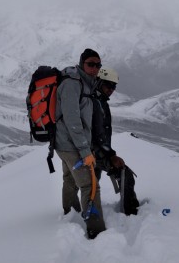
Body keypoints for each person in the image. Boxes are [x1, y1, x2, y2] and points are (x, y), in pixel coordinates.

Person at [55, 48, 106, 239]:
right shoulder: (72, 84)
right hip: (71, 145)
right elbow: (72, 120)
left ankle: (70, 214)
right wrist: (85, 150)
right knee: (90, 185)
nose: (94, 69)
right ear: (81, 63)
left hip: (66, 143)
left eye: (98, 65)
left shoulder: (84, 83)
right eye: (91, 64)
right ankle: (97, 231)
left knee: (69, 179)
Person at [91, 67, 139, 216]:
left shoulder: (100, 101)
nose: (111, 89)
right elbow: (95, 133)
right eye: (108, 85)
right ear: (98, 82)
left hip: (98, 152)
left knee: (93, 186)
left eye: (114, 86)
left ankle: (89, 212)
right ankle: (130, 212)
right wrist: (110, 155)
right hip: (95, 153)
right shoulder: (95, 102)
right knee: (124, 174)